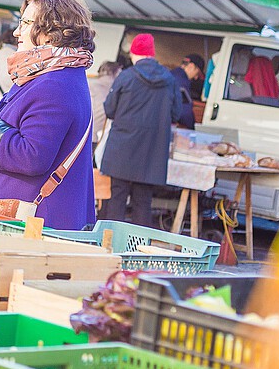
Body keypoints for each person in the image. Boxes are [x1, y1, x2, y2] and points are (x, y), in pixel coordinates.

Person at [0, 0, 97, 231]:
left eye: (25, 22)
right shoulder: (50, 76)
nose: (16, 31)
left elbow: (31, 157)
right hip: (23, 223)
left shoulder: (55, 84)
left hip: (32, 227)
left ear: (50, 33)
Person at [99, 33, 183, 227]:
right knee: (143, 202)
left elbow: (110, 109)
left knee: (116, 200)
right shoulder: (169, 80)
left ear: (134, 53)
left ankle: (110, 247)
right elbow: (176, 114)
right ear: (152, 54)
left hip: (122, 149)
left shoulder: (126, 76)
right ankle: (138, 250)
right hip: (151, 152)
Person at [88, 61, 121, 153]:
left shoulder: (90, 86)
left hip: (87, 135)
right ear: (111, 73)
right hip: (98, 137)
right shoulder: (114, 91)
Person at [169, 53, 205, 129]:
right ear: (191, 66)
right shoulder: (181, 82)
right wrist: (192, 129)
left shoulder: (170, 75)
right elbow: (184, 111)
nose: (196, 77)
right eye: (197, 73)